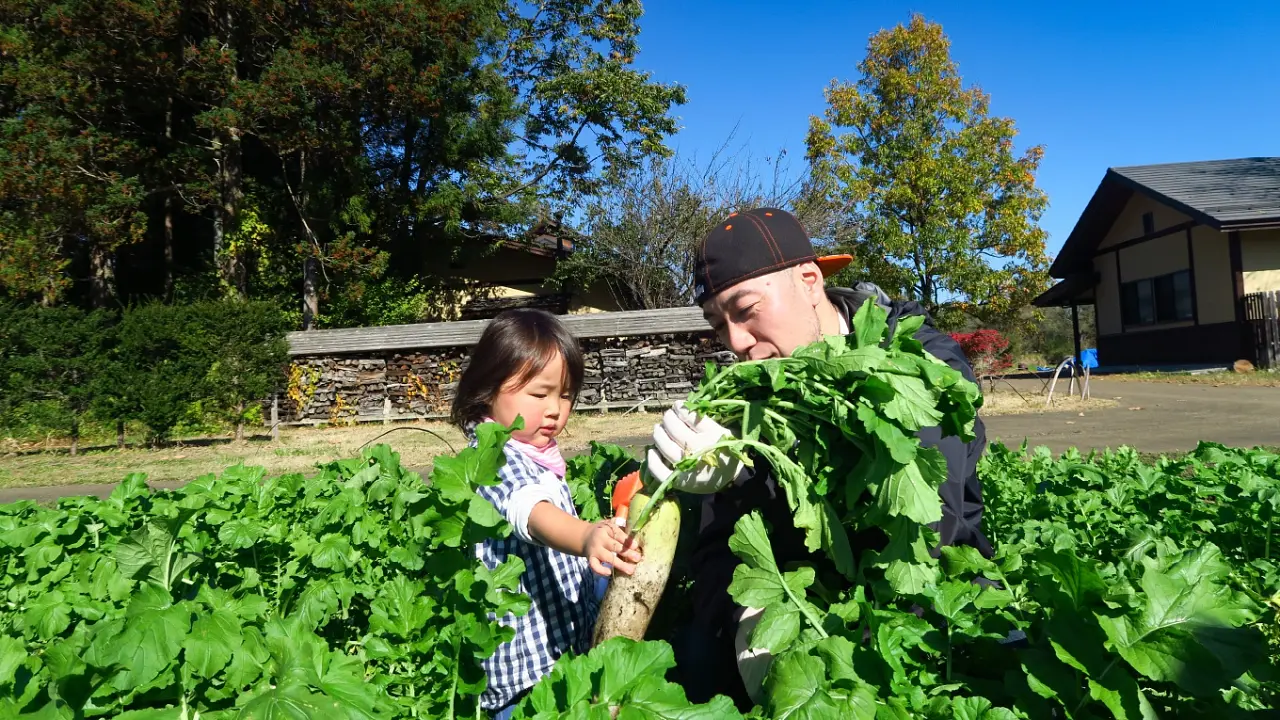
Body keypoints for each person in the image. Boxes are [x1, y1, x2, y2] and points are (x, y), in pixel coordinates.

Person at [647, 208, 992, 708]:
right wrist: (742, 612)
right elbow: (718, 544)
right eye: (718, 324)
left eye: (746, 310)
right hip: (796, 593)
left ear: (810, 281)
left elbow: (930, 524)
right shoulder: (748, 395)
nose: (737, 342)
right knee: (697, 657)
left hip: (926, 595)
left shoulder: (919, 359)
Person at [451, 308, 643, 719]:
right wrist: (585, 536)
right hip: (527, 675)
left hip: (558, 651)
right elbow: (530, 511)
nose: (555, 409)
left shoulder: (533, 452)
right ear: (488, 389)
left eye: (566, 395)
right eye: (539, 395)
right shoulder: (494, 458)